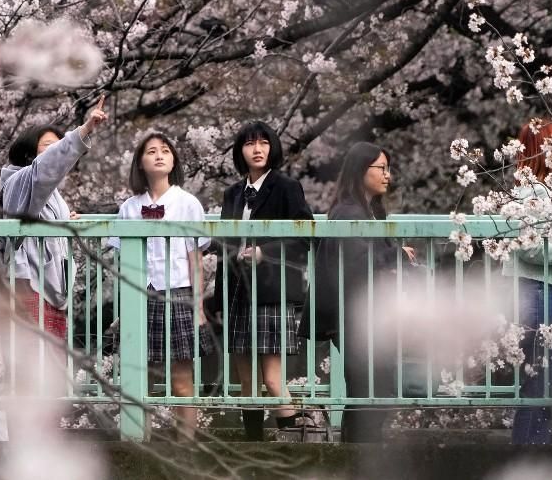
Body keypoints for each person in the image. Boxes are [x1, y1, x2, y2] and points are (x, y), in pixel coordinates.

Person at [208, 121, 314, 440]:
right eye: (250, 143)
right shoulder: (233, 193)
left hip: (271, 292)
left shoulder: (286, 187)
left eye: (264, 143)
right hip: (238, 290)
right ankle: (253, 446)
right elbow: (226, 244)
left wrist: (263, 252)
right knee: (246, 381)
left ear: (272, 148)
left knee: (271, 379)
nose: (257, 149)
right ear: (240, 151)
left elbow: (304, 235)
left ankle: (295, 444)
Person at [305, 141, 416, 443]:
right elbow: (356, 262)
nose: (387, 175)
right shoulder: (347, 212)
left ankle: (356, 459)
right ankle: (357, 459)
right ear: (359, 170)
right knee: (369, 392)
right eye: (380, 168)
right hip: (353, 315)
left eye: (387, 168)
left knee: (368, 393)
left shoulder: (368, 211)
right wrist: (397, 256)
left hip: (363, 314)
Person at [109, 132, 214, 439]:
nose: (158, 155)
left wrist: (198, 305)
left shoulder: (188, 203)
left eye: (165, 151)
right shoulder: (129, 207)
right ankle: (139, 442)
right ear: (140, 163)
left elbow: (196, 259)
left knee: (182, 376)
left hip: (179, 294)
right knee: (137, 376)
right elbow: (120, 259)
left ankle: (187, 445)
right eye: (151, 151)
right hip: (138, 295)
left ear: (173, 160)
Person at [0, 96, 107, 339]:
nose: (56, 151)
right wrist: (85, 129)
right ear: (29, 154)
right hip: (29, 286)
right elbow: (46, 169)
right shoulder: (21, 179)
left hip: (48, 287)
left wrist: (65, 219)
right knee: (34, 366)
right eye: (49, 146)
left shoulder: (46, 190)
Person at [506, 118, 552, 445]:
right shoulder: (533, 193)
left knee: (544, 379)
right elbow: (531, 245)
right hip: (535, 290)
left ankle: (531, 452)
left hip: (544, 291)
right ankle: (527, 456)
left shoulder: (545, 192)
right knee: (540, 380)